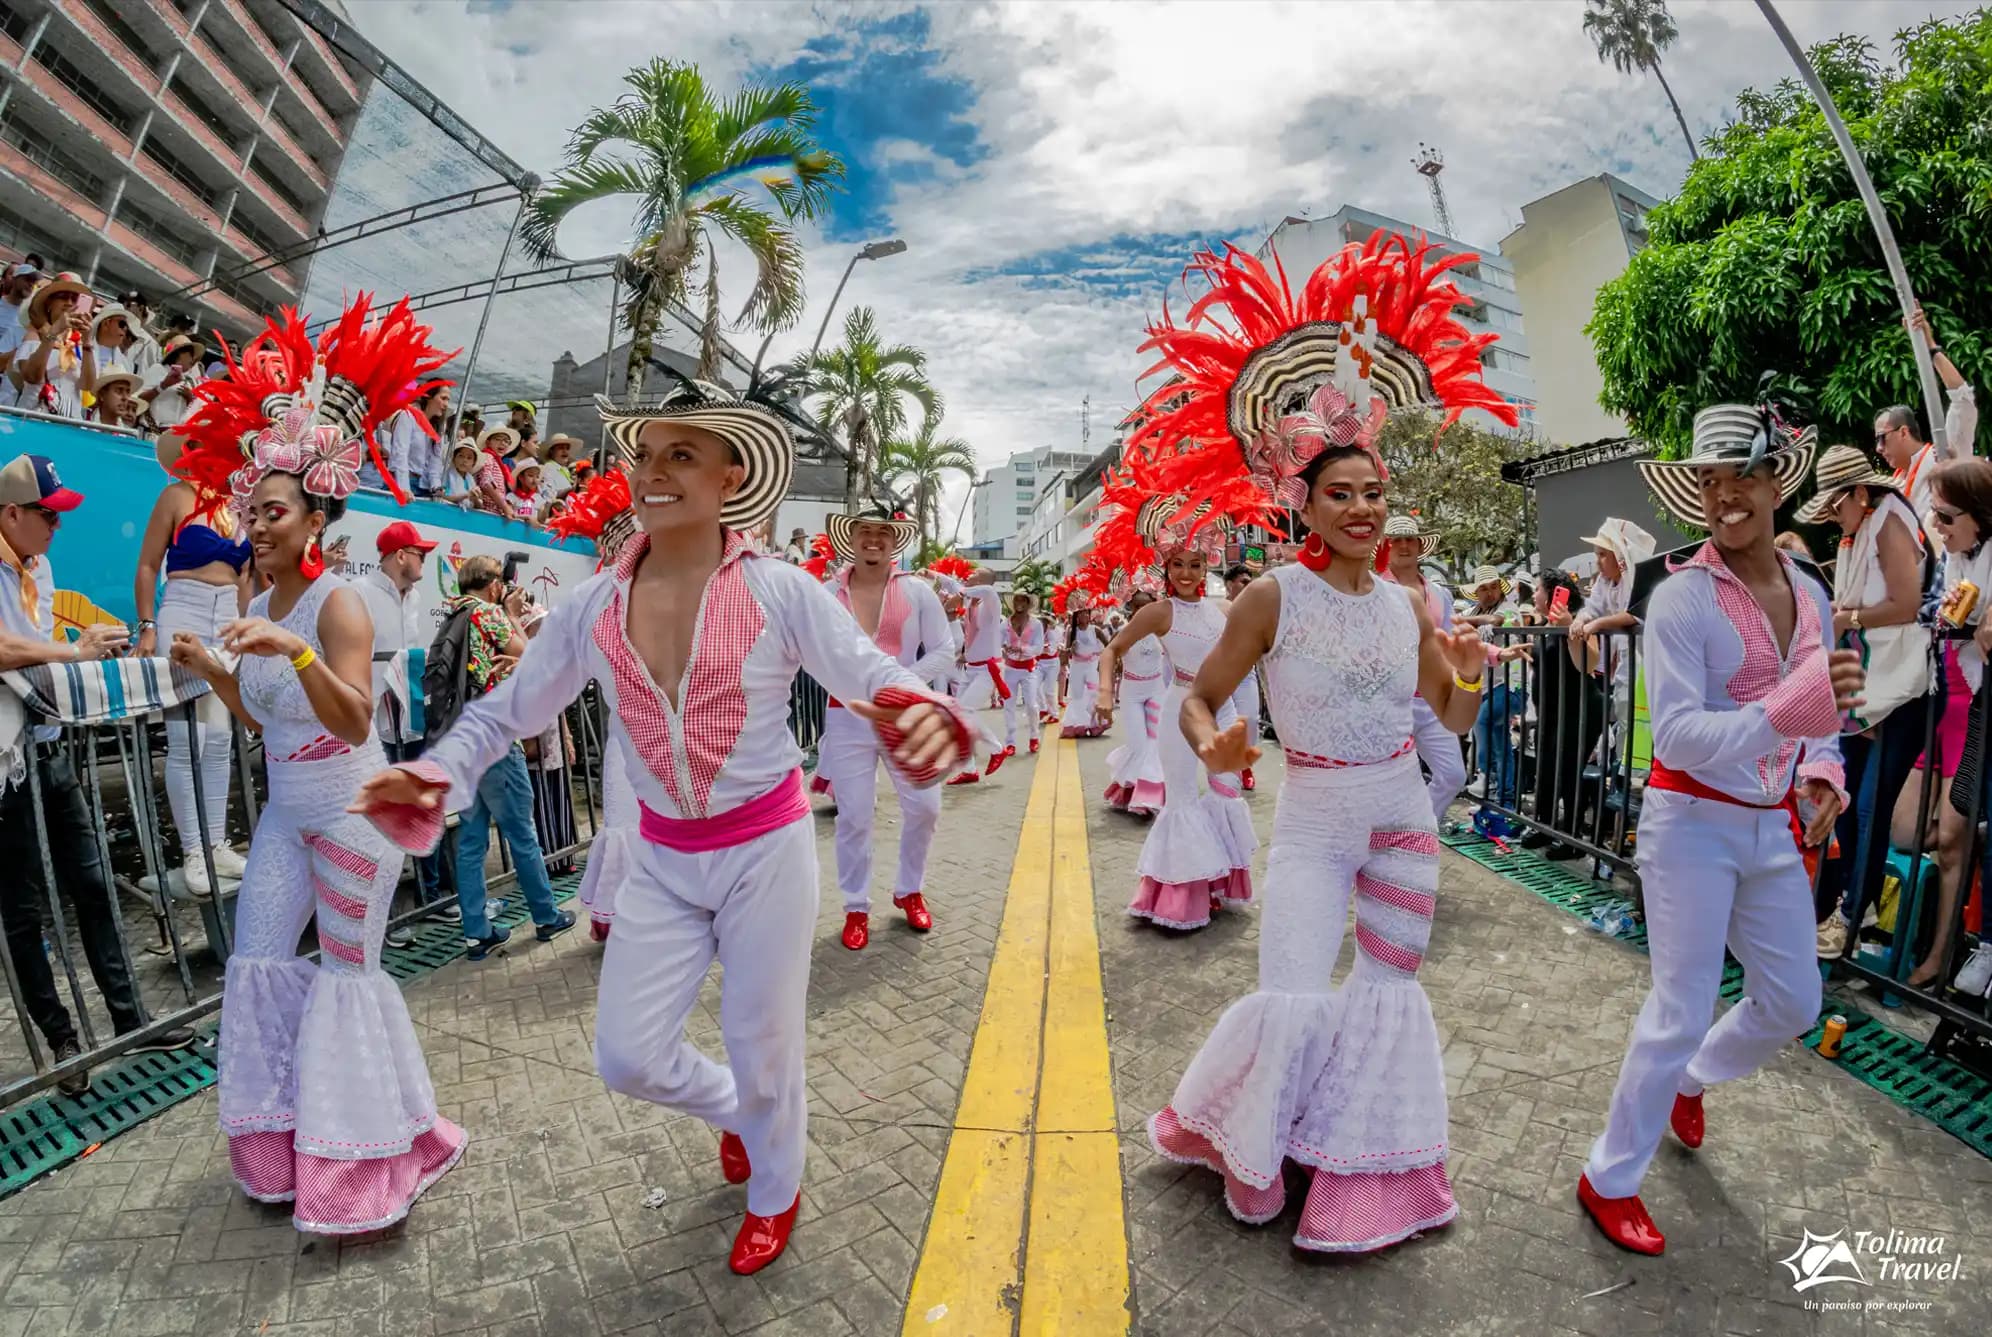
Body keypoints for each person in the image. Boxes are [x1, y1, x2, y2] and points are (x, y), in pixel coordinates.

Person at [351, 381, 972, 1274]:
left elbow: (865, 667)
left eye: (681, 455)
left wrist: (922, 709)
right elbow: (509, 709)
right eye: (645, 456)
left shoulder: (781, 588)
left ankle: (774, 1186)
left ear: (730, 478)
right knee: (627, 1055)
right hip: (663, 859)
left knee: (766, 1046)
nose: (654, 472)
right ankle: (735, 1113)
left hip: (767, 850)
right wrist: (435, 769)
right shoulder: (593, 604)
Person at [1128, 237, 1508, 1252]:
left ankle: (1360, 1170)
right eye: (1341, 492)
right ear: (1304, 502)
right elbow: (1199, 702)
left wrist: (1470, 667)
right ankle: (1255, 1145)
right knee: (1294, 990)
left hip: (1401, 817)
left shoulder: (1407, 601)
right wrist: (1215, 746)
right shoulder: (1270, 594)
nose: (1362, 508)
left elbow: (1453, 720)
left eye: (1374, 493)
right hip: (1311, 818)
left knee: (1387, 990)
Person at [161, 300, 466, 1231]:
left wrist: (287, 653)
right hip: (288, 814)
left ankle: (365, 1164)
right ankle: (279, 1148)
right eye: (250, 510)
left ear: (317, 515)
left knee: (343, 974)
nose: (256, 524)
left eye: (274, 510)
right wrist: (218, 668)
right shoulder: (257, 595)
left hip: (350, 816)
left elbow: (344, 711)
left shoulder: (338, 605)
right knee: (254, 960)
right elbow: (264, 723)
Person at [1579, 403, 1861, 1255]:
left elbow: (1827, 710)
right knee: (1681, 1003)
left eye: (1743, 474)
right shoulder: (1681, 599)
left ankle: (1691, 1081)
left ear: (1781, 481)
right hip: (1690, 822)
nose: (1725, 494)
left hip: (1771, 825)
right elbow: (1678, 738)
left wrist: (1824, 773)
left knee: (1793, 999)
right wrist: (1787, 716)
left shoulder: (1810, 591)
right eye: (1709, 478)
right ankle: (1608, 1176)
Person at [0, 454, 196, 1097]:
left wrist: (87, 647)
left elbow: (38, 647)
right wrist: (71, 651)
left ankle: (129, 1021)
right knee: (24, 909)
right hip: (5, 764)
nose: (56, 529)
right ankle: (61, 1040)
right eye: (48, 516)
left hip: (48, 750)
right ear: (12, 514)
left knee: (92, 886)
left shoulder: (40, 567)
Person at [1092, 468, 1255, 931]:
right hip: (1179, 712)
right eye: (1178, 564)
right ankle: (1183, 896)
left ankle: (1218, 881)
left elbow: (1258, 650)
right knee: (1182, 799)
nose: (1186, 573)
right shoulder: (1158, 612)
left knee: (1226, 794)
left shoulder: (1224, 610)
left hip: (1222, 710)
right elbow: (1112, 648)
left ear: (1208, 568)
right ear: (1166, 568)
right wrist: (1105, 690)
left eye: (1195, 565)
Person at [1797, 446, 1933, 958]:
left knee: (1872, 803)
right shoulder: (1860, 532)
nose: (1833, 518)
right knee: (1845, 795)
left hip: (1901, 685)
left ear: (1859, 493)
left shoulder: (1892, 522)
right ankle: (1851, 907)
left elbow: (1906, 603)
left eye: (1836, 506)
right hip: (1867, 684)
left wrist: (1847, 619)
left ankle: (1853, 913)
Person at [814, 508, 954, 951]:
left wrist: (901, 684)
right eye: (864, 531)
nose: (873, 539)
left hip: (905, 714)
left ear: (895, 541)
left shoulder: (916, 590)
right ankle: (856, 906)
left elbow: (945, 649)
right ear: (850, 538)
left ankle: (909, 888)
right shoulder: (825, 594)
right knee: (854, 816)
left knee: (926, 806)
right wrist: (844, 685)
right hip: (845, 715)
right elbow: (809, 652)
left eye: (882, 533)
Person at [435, 555, 575, 957]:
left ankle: (476, 931)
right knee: (521, 833)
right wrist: (510, 615)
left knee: (472, 839)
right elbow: (532, 660)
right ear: (494, 585)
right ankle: (547, 916)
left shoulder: (452, 616)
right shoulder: (488, 615)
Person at [136, 437, 252, 896]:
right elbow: (147, 565)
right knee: (187, 738)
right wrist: (147, 624)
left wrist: (243, 626)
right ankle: (193, 850)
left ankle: (217, 843)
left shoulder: (238, 503)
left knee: (221, 737)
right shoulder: (175, 495)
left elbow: (246, 578)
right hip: (183, 609)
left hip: (227, 618)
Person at [1915, 459, 1992, 992]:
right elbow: (1935, 616)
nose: (1937, 526)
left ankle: (1956, 953)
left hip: (1977, 707)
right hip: (1962, 701)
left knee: (1957, 834)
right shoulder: (1958, 560)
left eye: (1945, 515)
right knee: (1926, 828)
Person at [355, 519, 444, 923]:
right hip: (375, 728)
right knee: (382, 821)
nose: (425, 559)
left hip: (411, 722)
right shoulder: (359, 593)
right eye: (420, 553)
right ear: (400, 556)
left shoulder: (415, 595)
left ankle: (432, 898)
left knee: (423, 807)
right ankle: (385, 918)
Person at [1381, 516, 1472, 824]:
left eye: (1410, 539)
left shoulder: (1439, 593)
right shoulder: (1371, 587)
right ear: (1385, 545)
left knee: (1453, 775)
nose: (1404, 545)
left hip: (1433, 699)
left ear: (1420, 546)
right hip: (1390, 700)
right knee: (1389, 781)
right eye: (1396, 539)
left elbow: (1447, 642)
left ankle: (1420, 829)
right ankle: (1390, 838)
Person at [1876, 305, 1978, 522]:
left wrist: (1930, 348)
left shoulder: (1943, 454)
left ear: (1903, 432)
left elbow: (1964, 401)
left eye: (1882, 438)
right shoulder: (1894, 486)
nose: (1878, 448)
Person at [1461, 564, 1525, 806]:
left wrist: (1461, 619)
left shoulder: (1510, 609)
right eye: (1484, 589)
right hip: (1485, 685)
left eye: (1494, 587)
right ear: (1476, 592)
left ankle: (1490, 776)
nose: (1490, 592)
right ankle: (1505, 797)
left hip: (1513, 683)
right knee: (1500, 740)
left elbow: (1497, 619)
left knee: (1484, 720)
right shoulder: (1473, 611)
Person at [1102, 586, 1166, 815]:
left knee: (1154, 744)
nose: (1142, 610)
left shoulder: (1163, 630)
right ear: (1130, 608)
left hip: (1157, 691)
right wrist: (1105, 693)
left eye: (1146, 605)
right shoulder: (1124, 631)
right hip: (1132, 694)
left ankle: (1146, 797)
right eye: (1137, 606)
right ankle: (1131, 788)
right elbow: (1109, 655)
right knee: (1138, 744)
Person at [13, 275, 94, 419]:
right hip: (35, 417)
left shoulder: (79, 344)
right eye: (63, 297)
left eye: (74, 298)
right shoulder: (34, 336)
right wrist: (54, 332)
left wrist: (87, 342)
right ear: (49, 303)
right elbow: (32, 377)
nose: (69, 302)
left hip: (69, 423)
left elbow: (87, 385)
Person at [1220, 565, 1263, 790]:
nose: (1248, 585)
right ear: (1229, 584)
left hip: (1247, 675)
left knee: (1251, 721)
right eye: (1242, 581)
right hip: (1221, 675)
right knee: (1225, 725)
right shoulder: (1215, 606)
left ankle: (1245, 765)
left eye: (1249, 581)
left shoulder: (1256, 608)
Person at [999, 592, 1045, 756]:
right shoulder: (1005, 624)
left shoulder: (1036, 624)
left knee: (1032, 705)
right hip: (1010, 669)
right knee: (1009, 706)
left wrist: (1022, 649)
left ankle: (1034, 736)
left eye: (1023, 600)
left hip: (1029, 670)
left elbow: (1039, 647)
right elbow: (997, 643)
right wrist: (1004, 648)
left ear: (1028, 604)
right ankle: (1010, 742)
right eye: (1017, 600)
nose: (1019, 603)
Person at [1059, 600, 1107, 737]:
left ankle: (1095, 724)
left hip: (1092, 666)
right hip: (1076, 667)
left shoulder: (1095, 630)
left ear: (1090, 615)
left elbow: (1109, 645)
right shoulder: (1071, 630)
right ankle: (1079, 724)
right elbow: (1067, 652)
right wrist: (1070, 649)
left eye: (1086, 613)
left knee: (1093, 694)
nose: (1083, 616)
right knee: (1077, 696)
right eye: (1080, 614)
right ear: (1076, 616)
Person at [138, 335, 204, 433]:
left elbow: (199, 409)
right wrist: (163, 386)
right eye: (191, 355)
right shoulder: (158, 369)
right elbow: (139, 399)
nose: (193, 359)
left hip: (174, 434)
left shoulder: (191, 381)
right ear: (180, 354)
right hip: (151, 431)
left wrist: (190, 398)